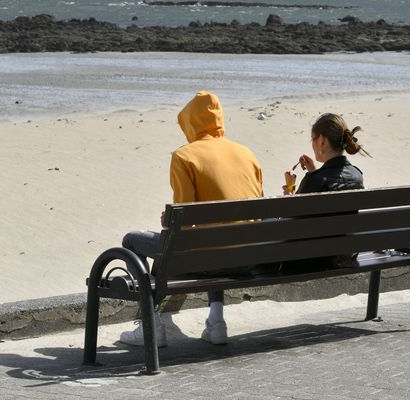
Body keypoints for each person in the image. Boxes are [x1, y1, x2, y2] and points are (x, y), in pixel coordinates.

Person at [120, 91, 263, 347]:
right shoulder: (247, 153)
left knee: (131, 240)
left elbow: (183, 226)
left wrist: (169, 221)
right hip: (248, 260)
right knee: (217, 236)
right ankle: (216, 320)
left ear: (190, 123)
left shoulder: (184, 156)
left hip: (206, 259)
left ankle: (150, 326)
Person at [282, 113, 370, 270]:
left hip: (311, 260)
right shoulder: (357, 176)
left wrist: (288, 197)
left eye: (313, 140)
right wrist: (313, 172)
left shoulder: (315, 181)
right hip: (343, 256)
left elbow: (289, 224)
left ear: (322, 141)